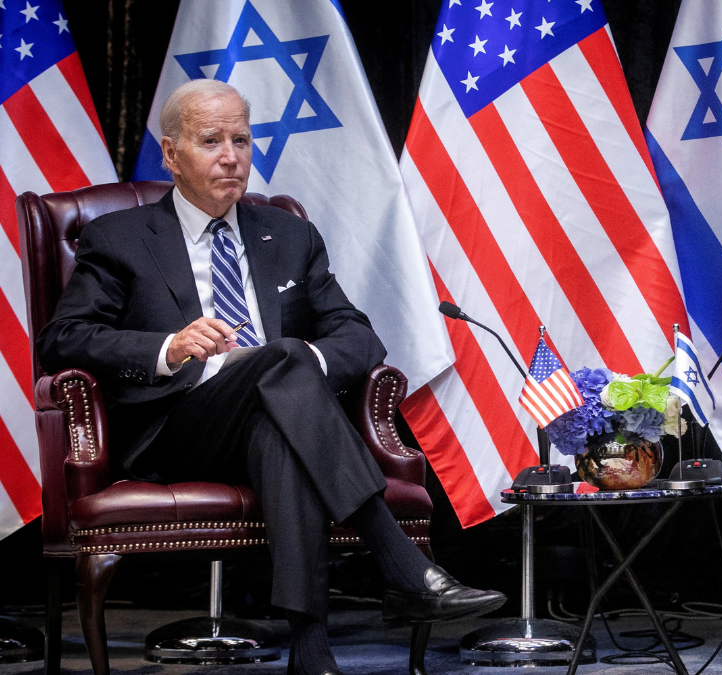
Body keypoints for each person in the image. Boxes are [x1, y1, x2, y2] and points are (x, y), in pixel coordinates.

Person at [37, 79, 505, 675]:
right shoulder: (119, 238)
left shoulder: (287, 235)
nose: (231, 156)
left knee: (279, 403)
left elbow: (358, 334)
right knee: (283, 361)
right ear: (171, 153)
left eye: (241, 138)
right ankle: (398, 561)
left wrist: (305, 363)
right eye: (211, 141)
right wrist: (169, 346)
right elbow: (64, 339)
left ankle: (311, 651)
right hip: (177, 429)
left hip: (276, 419)